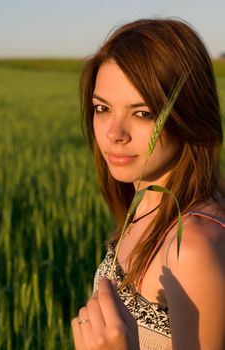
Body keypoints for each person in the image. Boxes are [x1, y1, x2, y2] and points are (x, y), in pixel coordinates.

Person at [72, 18, 225, 350]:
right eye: (102, 108)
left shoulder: (191, 247)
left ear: (189, 113)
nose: (114, 134)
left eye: (142, 113)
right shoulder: (146, 204)